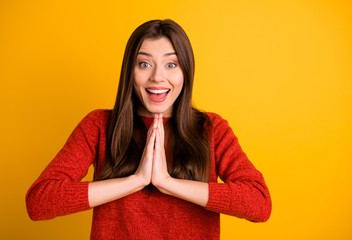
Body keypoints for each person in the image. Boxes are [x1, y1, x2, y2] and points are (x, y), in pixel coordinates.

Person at [26, 19, 272, 239]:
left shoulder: (211, 129)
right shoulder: (99, 125)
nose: (157, 77)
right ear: (129, 72)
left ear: (186, 72)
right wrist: (136, 180)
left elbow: (259, 204)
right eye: (144, 64)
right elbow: (40, 202)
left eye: (171, 64)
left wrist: (167, 182)